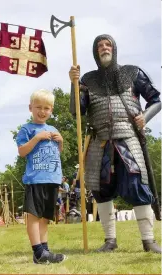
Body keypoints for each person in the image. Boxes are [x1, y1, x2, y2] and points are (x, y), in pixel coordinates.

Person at [69, 34, 161, 253]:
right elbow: (77, 112)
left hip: (128, 139)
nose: (103, 48)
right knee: (101, 190)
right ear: (95, 52)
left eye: (107, 44)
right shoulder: (87, 81)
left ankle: (148, 240)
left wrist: (144, 117)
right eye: (99, 46)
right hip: (99, 142)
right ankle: (110, 240)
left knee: (138, 186)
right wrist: (73, 85)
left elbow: (156, 100)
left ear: (114, 48)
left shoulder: (133, 73)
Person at [16, 89, 67, 264]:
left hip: (52, 179)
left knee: (45, 217)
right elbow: (22, 152)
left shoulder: (53, 129)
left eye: (47, 108)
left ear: (51, 110)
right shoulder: (27, 129)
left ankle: (44, 251)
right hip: (35, 179)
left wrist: (60, 142)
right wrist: (37, 138)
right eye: (39, 107)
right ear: (31, 107)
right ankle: (37, 251)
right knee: (34, 216)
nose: (42, 111)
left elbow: (56, 153)